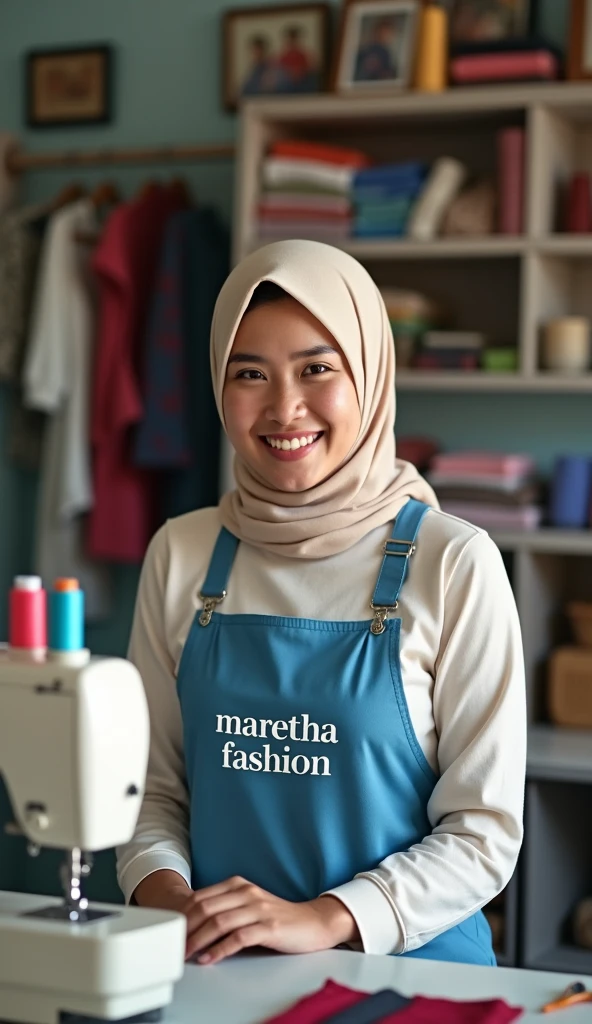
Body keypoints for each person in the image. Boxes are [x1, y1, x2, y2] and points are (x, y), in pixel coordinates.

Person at [117, 239, 526, 967]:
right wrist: (170, 901)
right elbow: (150, 790)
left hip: (412, 976)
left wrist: (324, 918)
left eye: (316, 369)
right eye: (250, 373)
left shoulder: (453, 563)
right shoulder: (181, 552)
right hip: (217, 972)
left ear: (368, 374)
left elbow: (483, 831)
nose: (284, 407)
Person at [354, 17, 399, 82]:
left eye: (387, 34)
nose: (384, 36)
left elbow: (389, 72)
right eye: (382, 33)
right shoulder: (365, 50)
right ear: (375, 32)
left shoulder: (387, 53)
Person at [277, 25, 317, 91]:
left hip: (302, 85)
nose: (292, 41)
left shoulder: (303, 55)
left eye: (294, 38)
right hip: (287, 86)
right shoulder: (283, 57)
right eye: (290, 38)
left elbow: (310, 68)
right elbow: (279, 71)